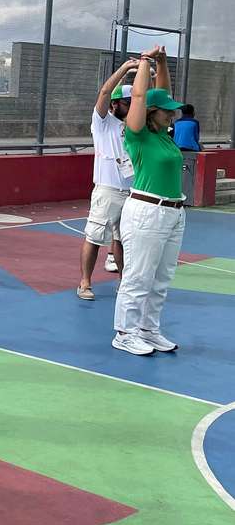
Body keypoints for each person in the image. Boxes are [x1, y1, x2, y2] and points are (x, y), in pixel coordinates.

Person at [112, 45, 184, 356]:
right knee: (139, 276)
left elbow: (161, 93)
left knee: (161, 278)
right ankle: (125, 333)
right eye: (167, 110)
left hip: (173, 212)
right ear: (151, 113)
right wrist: (144, 62)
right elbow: (141, 97)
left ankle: (148, 330)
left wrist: (162, 63)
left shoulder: (164, 135)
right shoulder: (138, 135)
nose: (172, 114)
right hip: (147, 211)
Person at [77, 59, 140, 301]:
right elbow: (105, 91)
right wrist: (124, 69)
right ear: (115, 104)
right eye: (128, 102)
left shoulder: (133, 126)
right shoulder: (102, 122)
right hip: (108, 190)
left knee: (123, 240)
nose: (132, 106)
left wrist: (150, 75)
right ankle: (85, 282)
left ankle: (123, 281)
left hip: (131, 191)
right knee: (94, 237)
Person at [173, 103, 201, 205]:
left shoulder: (176, 122)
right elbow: (196, 137)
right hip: (191, 148)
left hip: (176, 148)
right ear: (193, 112)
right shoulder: (195, 122)